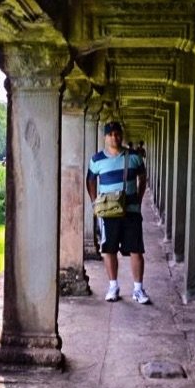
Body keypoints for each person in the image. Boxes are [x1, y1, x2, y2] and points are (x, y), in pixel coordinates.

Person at [86, 121, 151, 304]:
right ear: (105, 137)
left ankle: (138, 289)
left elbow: (142, 178)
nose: (114, 137)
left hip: (131, 211)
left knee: (136, 250)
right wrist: (94, 203)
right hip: (108, 213)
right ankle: (113, 286)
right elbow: (90, 180)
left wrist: (137, 200)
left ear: (121, 135)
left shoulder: (134, 157)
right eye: (111, 134)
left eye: (117, 134)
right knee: (109, 249)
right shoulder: (97, 160)